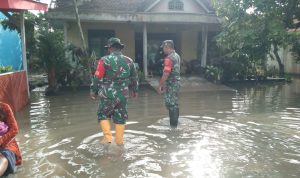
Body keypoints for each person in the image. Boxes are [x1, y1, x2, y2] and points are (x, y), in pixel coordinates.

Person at [90, 37, 139, 145]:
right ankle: (119, 141)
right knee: (120, 117)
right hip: (123, 95)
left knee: (103, 114)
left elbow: (97, 77)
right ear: (120, 48)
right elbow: (134, 78)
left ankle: (108, 138)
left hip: (108, 94)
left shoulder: (104, 60)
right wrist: (135, 90)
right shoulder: (129, 61)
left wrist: (93, 91)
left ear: (110, 48)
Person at [157, 40, 181, 128]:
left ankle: (173, 127)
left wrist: (160, 85)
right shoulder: (177, 55)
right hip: (176, 82)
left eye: (163, 47)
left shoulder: (169, 58)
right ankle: (175, 124)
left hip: (172, 83)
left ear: (167, 47)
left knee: (170, 104)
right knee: (174, 103)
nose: (163, 49)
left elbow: (166, 73)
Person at [0, 102, 22, 176]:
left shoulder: (4, 107)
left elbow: (14, 129)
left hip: (7, 144)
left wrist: (1, 140)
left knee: (4, 158)